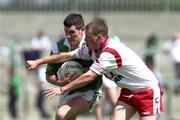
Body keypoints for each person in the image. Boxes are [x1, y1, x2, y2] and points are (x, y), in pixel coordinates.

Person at [26, 19, 163, 120]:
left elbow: (89, 76)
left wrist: (62, 89)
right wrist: (38, 61)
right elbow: (65, 56)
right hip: (128, 91)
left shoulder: (109, 52)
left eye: (88, 39)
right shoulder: (92, 48)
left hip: (147, 91)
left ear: (99, 38)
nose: (85, 42)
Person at [45, 13, 103, 120]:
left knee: (61, 114)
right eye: (66, 32)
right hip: (67, 91)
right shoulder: (58, 47)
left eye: (72, 32)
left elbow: (98, 70)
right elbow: (49, 75)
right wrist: (60, 82)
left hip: (89, 90)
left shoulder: (92, 44)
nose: (68, 36)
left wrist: (82, 72)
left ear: (82, 30)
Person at [30, 30, 51, 118]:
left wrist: (37, 82)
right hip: (41, 89)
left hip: (43, 89)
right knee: (38, 104)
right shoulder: (39, 70)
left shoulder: (42, 70)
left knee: (39, 103)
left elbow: (42, 81)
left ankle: (45, 116)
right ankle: (44, 115)